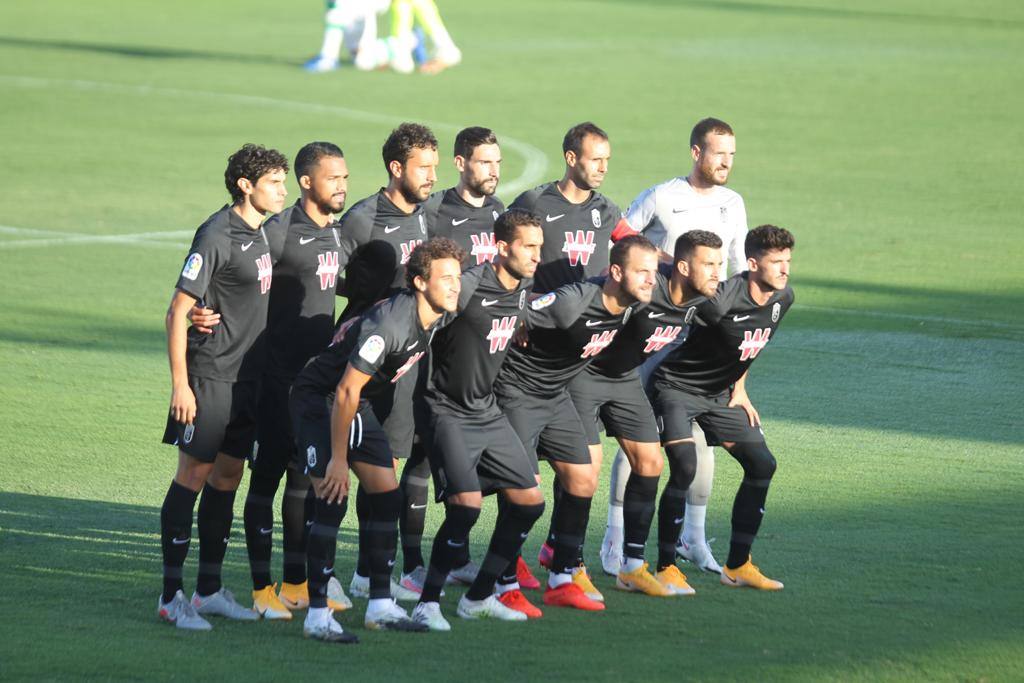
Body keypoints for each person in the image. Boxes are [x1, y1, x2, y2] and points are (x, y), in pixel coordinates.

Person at [289, 237, 464, 641]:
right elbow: (345, 390)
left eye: (457, 277)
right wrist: (337, 460)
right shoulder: (390, 325)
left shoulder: (436, 312)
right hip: (321, 400)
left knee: (386, 498)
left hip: (357, 403)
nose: (455, 286)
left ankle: (380, 606)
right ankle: (317, 616)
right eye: (447, 278)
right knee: (331, 499)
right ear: (420, 282)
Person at [601, 117, 749, 575]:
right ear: (696, 152)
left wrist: (738, 372)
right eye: (719, 152)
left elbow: (740, 269)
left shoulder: (733, 204)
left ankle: (693, 539)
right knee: (640, 434)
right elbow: (620, 236)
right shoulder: (663, 196)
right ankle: (614, 538)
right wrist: (669, 263)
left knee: (702, 436)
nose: (726, 162)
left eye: (731, 154)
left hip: (702, 335)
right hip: (656, 331)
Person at [157, 144, 289, 630]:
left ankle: (208, 590)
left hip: (248, 381)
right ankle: (171, 597)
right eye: (274, 182)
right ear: (245, 186)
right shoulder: (217, 234)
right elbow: (177, 310)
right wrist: (181, 386)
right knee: (193, 475)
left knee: (228, 477)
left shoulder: (262, 231)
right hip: (211, 377)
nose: (283, 191)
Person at [491, 235, 658, 613]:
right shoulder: (574, 301)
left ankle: (561, 579)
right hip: (518, 391)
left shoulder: (630, 304)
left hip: (557, 394)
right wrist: (519, 324)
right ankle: (504, 582)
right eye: (642, 272)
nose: (651, 279)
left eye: (652, 272)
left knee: (582, 478)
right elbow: (514, 307)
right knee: (524, 489)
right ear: (616, 272)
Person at [409, 209, 547, 630]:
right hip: (445, 409)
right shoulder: (467, 285)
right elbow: (418, 318)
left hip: (486, 410)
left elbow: (507, 321)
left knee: (530, 501)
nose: (537, 256)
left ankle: (479, 596)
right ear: (502, 248)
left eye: (540, 247)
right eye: (528, 247)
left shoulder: (522, 287)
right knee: (466, 507)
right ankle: (427, 603)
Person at [567, 230, 723, 596]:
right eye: (709, 264)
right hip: (584, 377)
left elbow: (735, 332)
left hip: (624, 381)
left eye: (719, 264)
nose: (717, 273)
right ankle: (570, 564)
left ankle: (633, 567)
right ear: (683, 268)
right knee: (585, 472)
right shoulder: (647, 290)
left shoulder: (701, 301)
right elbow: (595, 293)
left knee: (650, 463)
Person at [240, 142, 353, 618]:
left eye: (345, 177)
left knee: (302, 481)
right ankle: (259, 589)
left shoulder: (338, 233)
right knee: (265, 481)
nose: (342, 186)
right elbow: (238, 278)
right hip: (273, 381)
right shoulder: (279, 232)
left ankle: (295, 584)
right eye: (333, 178)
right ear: (307, 182)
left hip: (313, 385)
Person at [648, 225, 795, 591]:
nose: (784, 269)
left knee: (762, 464)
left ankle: (738, 566)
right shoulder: (720, 301)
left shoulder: (783, 298)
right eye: (776, 262)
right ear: (752, 264)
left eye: (788, 261)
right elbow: (671, 314)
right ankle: (666, 567)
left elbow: (750, 346)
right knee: (685, 466)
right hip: (675, 388)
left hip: (720, 396)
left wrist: (740, 388)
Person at [395, 125, 504, 595]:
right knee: (421, 456)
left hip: (476, 357)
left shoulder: (500, 213)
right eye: (484, 162)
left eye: (497, 162)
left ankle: (456, 556)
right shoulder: (433, 212)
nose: (493, 171)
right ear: (461, 164)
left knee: (469, 456)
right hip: (432, 352)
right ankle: (411, 564)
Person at [334, 122, 438, 601]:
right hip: (364, 364)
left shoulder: (425, 216)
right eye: (423, 168)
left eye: (434, 167)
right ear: (396, 168)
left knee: (387, 465)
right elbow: (327, 277)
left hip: (405, 366)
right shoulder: (362, 218)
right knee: (357, 469)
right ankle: (326, 573)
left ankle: (366, 572)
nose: (431, 176)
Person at [510, 121, 637, 294]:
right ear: (571, 158)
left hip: (592, 310)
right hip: (545, 309)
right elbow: (501, 245)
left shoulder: (607, 210)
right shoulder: (533, 202)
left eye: (606, 160)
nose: (604, 168)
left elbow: (637, 247)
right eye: (596, 160)